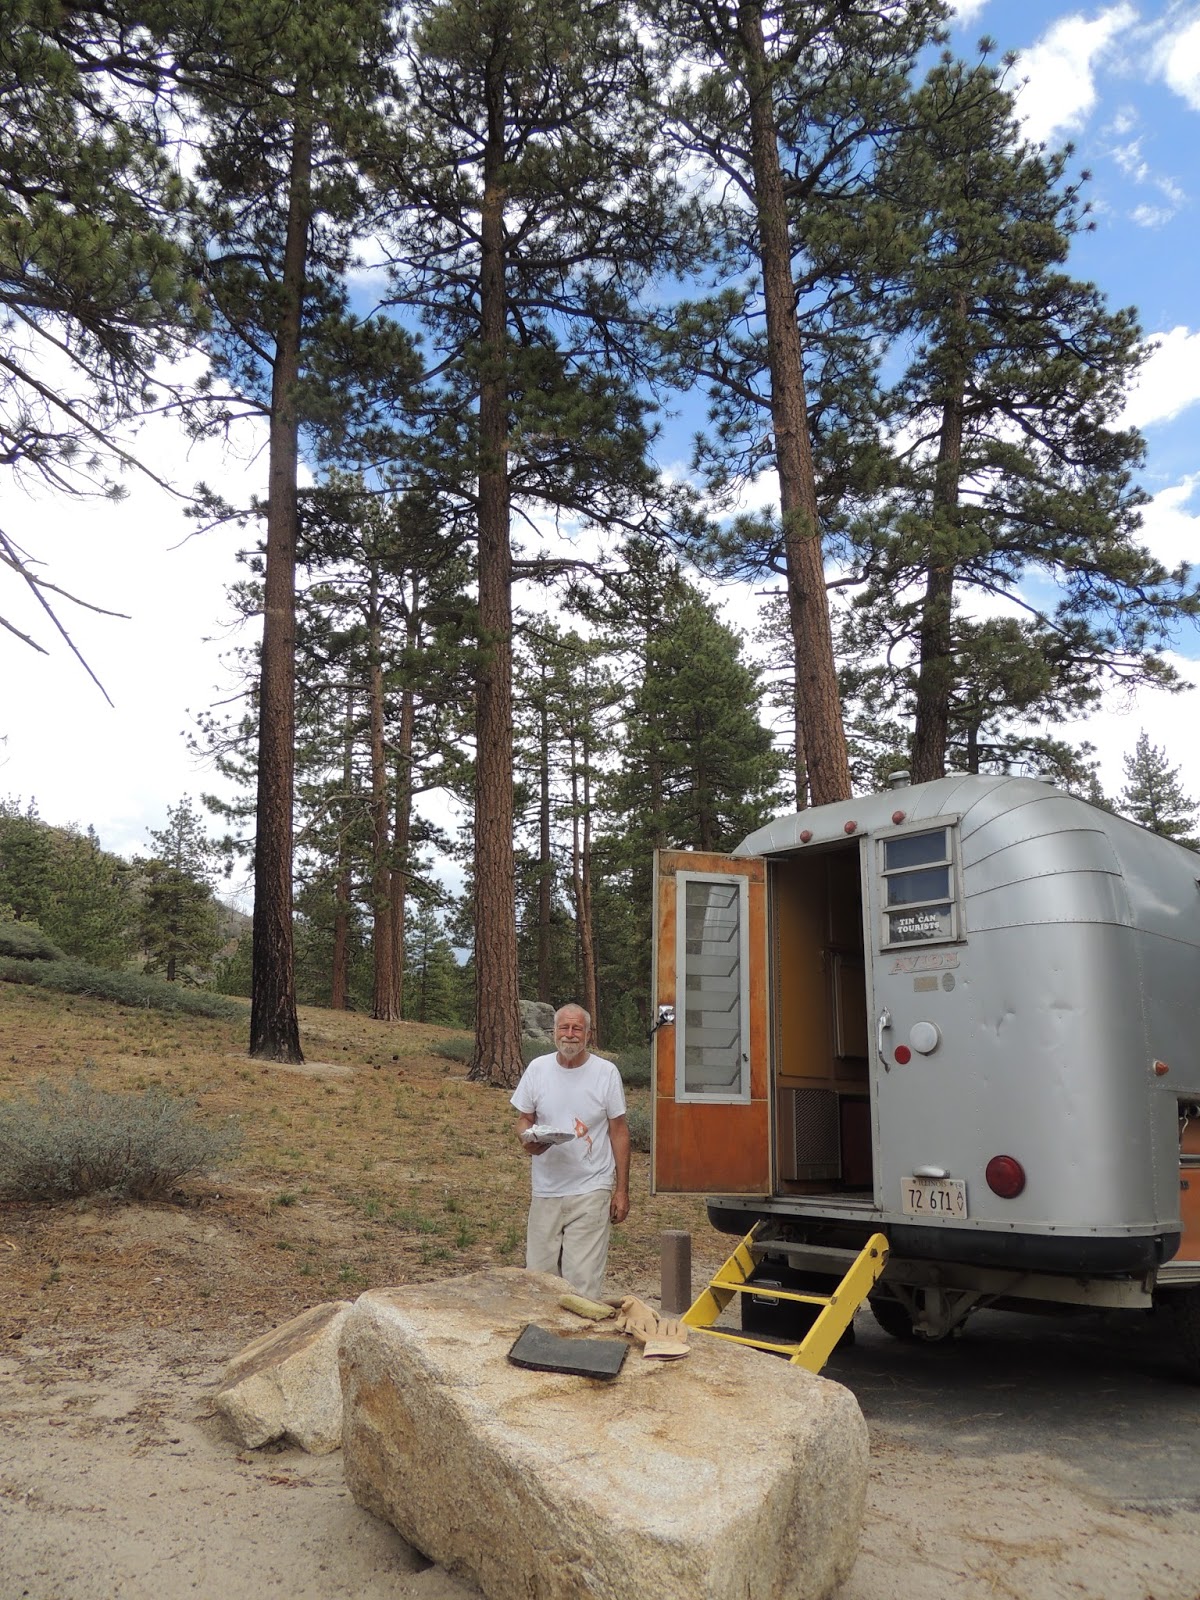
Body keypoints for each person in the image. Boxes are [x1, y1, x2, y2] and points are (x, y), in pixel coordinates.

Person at [510, 1003, 630, 1300]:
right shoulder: (538, 1068)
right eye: (564, 1028)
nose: (570, 1035)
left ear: (588, 1034)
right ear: (554, 1032)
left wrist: (622, 1190)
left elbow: (619, 1130)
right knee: (539, 1277)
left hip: (591, 1186)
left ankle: (581, 1340)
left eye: (577, 1028)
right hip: (546, 1188)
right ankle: (543, 1341)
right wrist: (527, 1139)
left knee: (582, 1280)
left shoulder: (605, 1073)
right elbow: (524, 1118)